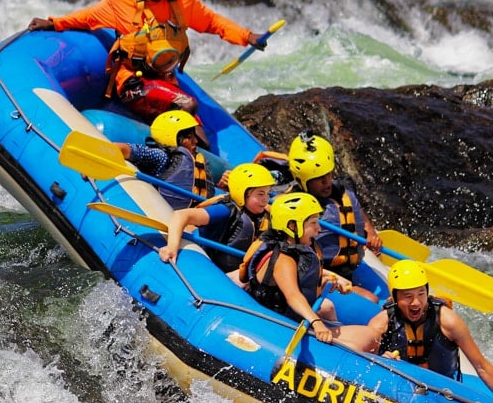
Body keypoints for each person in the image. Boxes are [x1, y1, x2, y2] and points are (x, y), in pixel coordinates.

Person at [27, 0, 267, 123]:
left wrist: (247, 36)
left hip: (165, 79)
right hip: (133, 82)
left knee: (198, 132)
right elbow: (88, 18)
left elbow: (212, 22)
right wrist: (53, 23)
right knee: (188, 104)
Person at [368, 260, 493, 403]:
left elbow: (481, 366)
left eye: (421, 294)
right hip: (399, 390)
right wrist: (383, 360)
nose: (416, 302)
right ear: (395, 297)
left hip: (443, 393)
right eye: (408, 296)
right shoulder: (381, 324)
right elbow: (365, 364)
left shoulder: (447, 321)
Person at [241, 192, 377, 353]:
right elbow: (293, 296)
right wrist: (317, 323)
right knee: (363, 341)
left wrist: (328, 282)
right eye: (313, 223)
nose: (319, 229)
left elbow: (306, 283)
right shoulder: (282, 259)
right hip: (276, 326)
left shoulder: (303, 249)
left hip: (294, 321)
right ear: (292, 226)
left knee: (371, 336)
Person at [287, 131, 382, 302]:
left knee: (393, 291)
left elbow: (358, 214)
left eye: (328, 174)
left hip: (353, 265)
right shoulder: (295, 205)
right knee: (371, 300)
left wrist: (371, 233)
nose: (326, 182)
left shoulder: (342, 191)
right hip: (321, 273)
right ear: (303, 181)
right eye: (318, 178)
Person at [158, 162, 276, 277]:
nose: (265, 199)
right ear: (242, 193)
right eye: (260, 194)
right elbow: (181, 215)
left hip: (230, 272)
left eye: (268, 194)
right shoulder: (225, 210)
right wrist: (172, 247)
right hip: (205, 263)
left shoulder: (263, 216)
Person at [116, 110, 219, 210]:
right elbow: (125, 150)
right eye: (189, 137)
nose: (196, 141)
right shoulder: (161, 156)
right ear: (172, 137)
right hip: (162, 213)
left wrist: (222, 187)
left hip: (191, 218)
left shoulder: (197, 162)